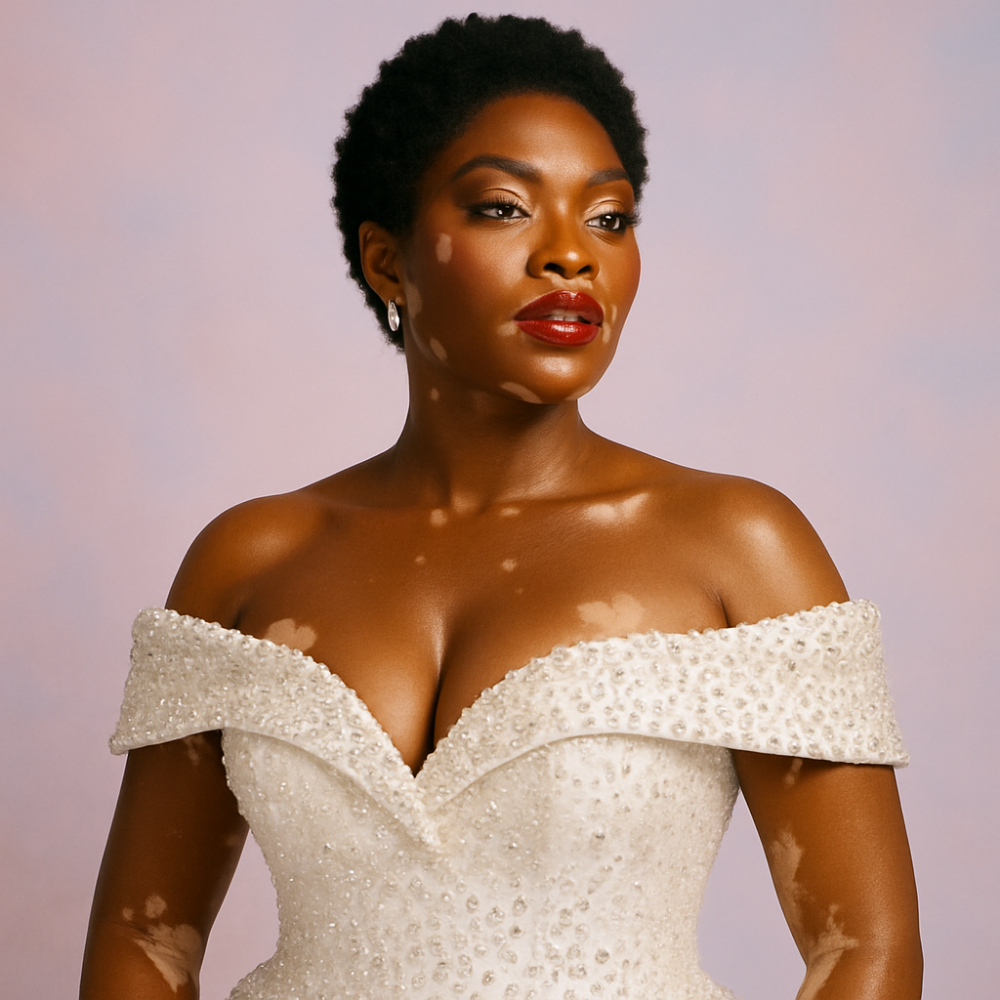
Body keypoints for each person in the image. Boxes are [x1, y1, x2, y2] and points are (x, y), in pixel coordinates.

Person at [80, 14, 921, 1000]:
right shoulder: (250, 559)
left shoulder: (739, 546)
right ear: (387, 262)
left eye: (608, 218)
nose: (570, 255)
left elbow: (863, 947)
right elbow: (144, 943)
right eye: (503, 207)